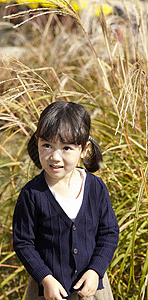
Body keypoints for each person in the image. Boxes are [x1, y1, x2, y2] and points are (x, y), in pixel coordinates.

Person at [13, 101, 119, 300]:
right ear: (37, 142)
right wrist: (45, 279)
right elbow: (23, 243)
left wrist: (96, 270)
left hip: (92, 290)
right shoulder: (32, 194)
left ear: (84, 149)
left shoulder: (96, 188)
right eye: (47, 145)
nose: (55, 156)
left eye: (66, 148)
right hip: (47, 292)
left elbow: (109, 232)